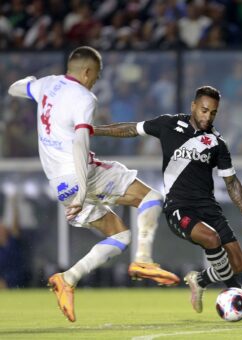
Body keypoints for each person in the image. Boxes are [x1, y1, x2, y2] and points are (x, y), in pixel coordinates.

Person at [7, 46, 180, 322]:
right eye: (96, 76)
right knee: (152, 197)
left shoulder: (47, 84)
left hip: (60, 185)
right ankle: (144, 260)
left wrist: (31, 84)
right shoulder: (84, 97)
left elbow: (15, 89)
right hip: (82, 176)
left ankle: (68, 278)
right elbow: (79, 144)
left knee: (120, 235)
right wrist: (84, 191)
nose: (96, 81)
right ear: (87, 72)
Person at [93, 85, 242, 314]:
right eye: (204, 110)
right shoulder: (169, 124)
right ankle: (237, 291)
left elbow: (232, 182)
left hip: (209, 208)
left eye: (213, 113)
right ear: (193, 106)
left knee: (238, 263)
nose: (208, 117)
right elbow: (130, 129)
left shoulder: (217, 142)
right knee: (211, 238)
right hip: (179, 207)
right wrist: (94, 130)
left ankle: (200, 280)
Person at [0, 194, 25, 289]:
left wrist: (14, 205)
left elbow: (16, 225)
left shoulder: (12, 242)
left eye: (2, 229)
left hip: (15, 277)